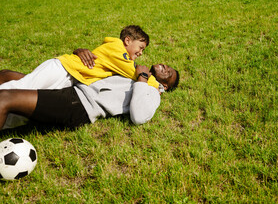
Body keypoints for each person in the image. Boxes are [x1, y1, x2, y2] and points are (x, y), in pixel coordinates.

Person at [0, 62, 180, 130]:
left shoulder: (153, 92)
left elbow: (139, 117)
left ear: (165, 86)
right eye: (166, 65)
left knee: (5, 99)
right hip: (73, 86)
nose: (165, 66)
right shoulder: (132, 71)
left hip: (78, 104)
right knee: (6, 75)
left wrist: (142, 79)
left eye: (168, 72)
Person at [0, 25, 160, 91]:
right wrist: (157, 85)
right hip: (62, 68)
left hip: (69, 76)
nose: (140, 53)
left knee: (28, 91)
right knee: (21, 87)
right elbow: (132, 72)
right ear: (127, 41)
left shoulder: (119, 53)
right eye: (140, 48)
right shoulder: (117, 50)